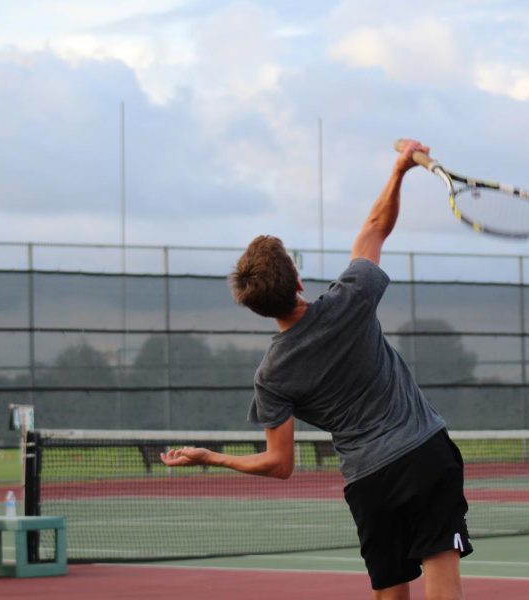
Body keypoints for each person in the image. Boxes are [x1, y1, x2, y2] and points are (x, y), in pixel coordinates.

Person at [160, 139, 472, 600]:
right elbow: (373, 228)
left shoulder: (272, 376)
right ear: (299, 281)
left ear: (259, 309)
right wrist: (401, 167)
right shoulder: (353, 296)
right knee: (441, 576)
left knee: (390, 591)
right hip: (425, 452)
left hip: (370, 480)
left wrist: (212, 457)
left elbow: (278, 464)